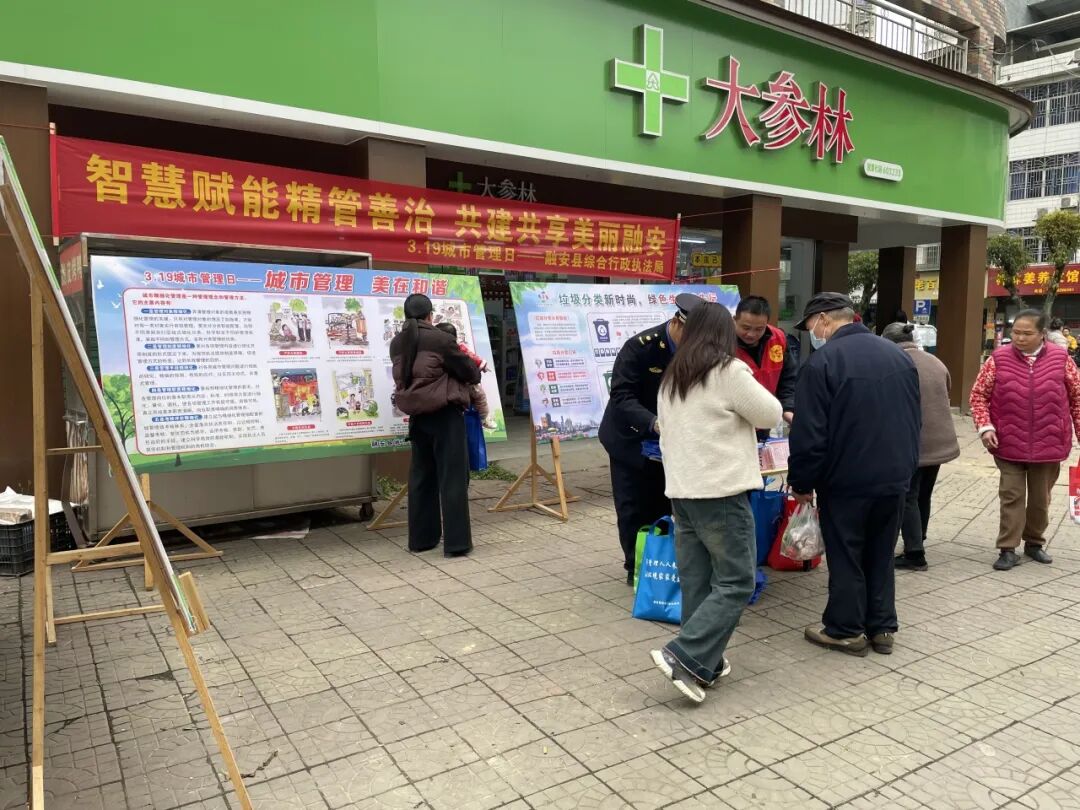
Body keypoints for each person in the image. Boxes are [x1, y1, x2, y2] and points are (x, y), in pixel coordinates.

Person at [649, 303, 782, 703]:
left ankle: (703, 662)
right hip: (721, 493)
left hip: (682, 492)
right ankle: (685, 654)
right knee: (737, 581)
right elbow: (770, 413)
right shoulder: (727, 370)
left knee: (698, 581)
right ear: (724, 333)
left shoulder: (674, 375)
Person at [788, 292, 920, 657]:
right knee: (881, 551)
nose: (812, 334)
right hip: (895, 475)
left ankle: (845, 629)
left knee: (846, 553)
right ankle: (882, 626)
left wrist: (802, 482)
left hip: (847, 479)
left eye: (811, 326)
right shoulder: (897, 355)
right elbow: (914, 419)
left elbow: (809, 435)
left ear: (824, 320)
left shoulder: (822, 363)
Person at [599, 294, 704, 585]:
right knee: (633, 506)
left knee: (663, 503)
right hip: (631, 439)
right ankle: (635, 568)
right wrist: (653, 423)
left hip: (671, 443)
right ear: (676, 323)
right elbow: (622, 396)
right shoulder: (640, 347)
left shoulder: (698, 353)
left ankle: (661, 563)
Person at [969, 308, 1080, 571]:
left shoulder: (1062, 359)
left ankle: (1034, 542)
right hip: (1007, 441)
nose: (1019, 338)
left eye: (1026, 333)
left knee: (1041, 499)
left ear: (1043, 334)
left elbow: (1077, 398)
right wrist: (985, 427)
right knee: (1011, 496)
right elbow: (978, 395)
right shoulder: (998, 359)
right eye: (1016, 332)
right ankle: (1008, 548)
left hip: (1050, 442)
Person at [390, 293, 482, 557]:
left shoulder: (396, 343)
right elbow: (469, 372)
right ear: (430, 315)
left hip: (417, 417)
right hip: (445, 415)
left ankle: (421, 539)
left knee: (422, 477)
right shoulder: (440, 340)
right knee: (452, 478)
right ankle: (457, 543)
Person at [881, 322, 960, 571]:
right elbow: (947, 390)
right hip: (939, 442)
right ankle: (918, 538)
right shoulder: (936, 362)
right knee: (923, 494)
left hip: (913, 441)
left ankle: (915, 553)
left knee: (907, 496)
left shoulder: (893, 363)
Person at [732, 295, 796, 434]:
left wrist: (788, 408)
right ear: (735, 319)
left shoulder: (779, 339)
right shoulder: (723, 342)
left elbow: (788, 379)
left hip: (764, 419)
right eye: (745, 327)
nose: (751, 334)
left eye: (759, 329)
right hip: (734, 422)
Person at [436, 322, 496, 430]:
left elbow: (473, 362)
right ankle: (484, 418)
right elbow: (472, 371)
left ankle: (484, 418)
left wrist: (480, 365)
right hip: (459, 394)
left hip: (447, 398)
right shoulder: (458, 351)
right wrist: (480, 367)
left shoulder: (433, 352)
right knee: (480, 396)